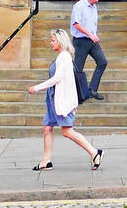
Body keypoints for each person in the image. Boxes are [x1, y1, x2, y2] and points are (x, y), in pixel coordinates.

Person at [28, 28, 102, 171]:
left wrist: (36, 88)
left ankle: (94, 152)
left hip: (61, 101)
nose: (51, 43)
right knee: (47, 128)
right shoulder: (61, 56)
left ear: (61, 41)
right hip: (53, 99)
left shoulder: (64, 57)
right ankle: (46, 161)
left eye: (53, 40)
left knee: (67, 131)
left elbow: (57, 78)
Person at [71, 0, 107, 101]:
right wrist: (90, 34)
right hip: (81, 41)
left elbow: (91, 23)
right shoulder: (79, 6)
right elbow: (76, 24)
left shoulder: (93, 6)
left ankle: (92, 90)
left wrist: (94, 35)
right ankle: (75, 94)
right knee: (78, 68)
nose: (97, 1)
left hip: (92, 41)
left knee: (102, 62)